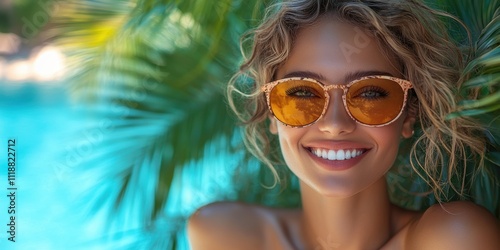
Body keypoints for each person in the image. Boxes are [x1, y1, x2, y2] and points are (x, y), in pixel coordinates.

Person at [188, 0, 500, 249]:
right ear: (272, 112)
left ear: (409, 114)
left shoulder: (457, 238)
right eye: (302, 92)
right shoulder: (222, 236)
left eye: (371, 93)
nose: (335, 124)